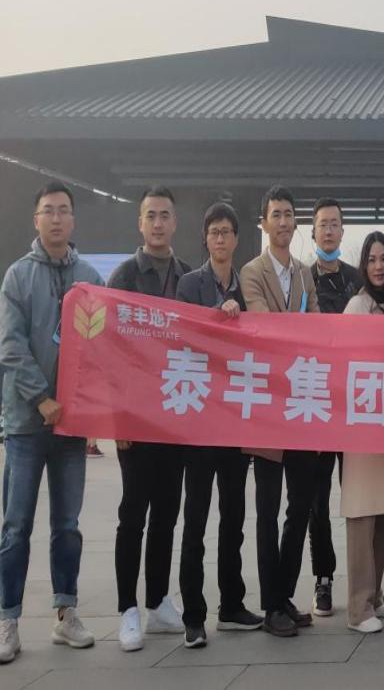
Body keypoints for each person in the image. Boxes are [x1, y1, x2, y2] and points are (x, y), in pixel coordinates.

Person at [0, 181, 102, 664]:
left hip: (71, 427)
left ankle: (66, 612)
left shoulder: (88, 278)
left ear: (73, 219)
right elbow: (11, 345)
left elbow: (101, 347)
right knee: (15, 525)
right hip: (26, 424)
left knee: (67, 524)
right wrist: (42, 399)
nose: (57, 218)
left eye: (64, 210)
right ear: (36, 220)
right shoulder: (18, 276)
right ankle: (8, 619)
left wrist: (89, 405)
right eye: (48, 211)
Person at [174, 203, 263, 648]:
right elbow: (181, 335)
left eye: (227, 231)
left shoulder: (247, 287)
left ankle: (231, 604)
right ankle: (193, 615)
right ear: (205, 238)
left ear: (236, 239)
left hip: (234, 417)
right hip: (199, 418)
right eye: (214, 232)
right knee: (195, 519)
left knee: (234, 517)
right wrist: (216, 314)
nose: (221, 238)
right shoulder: (190, 284)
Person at [108, 185, 193, 651]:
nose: (158, 223)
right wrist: (118, 418)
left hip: (175, 413)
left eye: (165, 215)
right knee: (133, 514)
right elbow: (110, 350)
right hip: (136, 418)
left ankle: (159, 601)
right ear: (140, 223)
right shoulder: (124, 276)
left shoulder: (187, 277)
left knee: (166, 512)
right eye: (151, 216)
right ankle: (128, 609)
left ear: (175, 223)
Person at [240, 185, 321, 637]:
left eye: (289, 214)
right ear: (264, 222)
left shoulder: (306, 275)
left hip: (303, 403)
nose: (284, 221)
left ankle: (284, 595)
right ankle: (270, 605)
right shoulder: (252, 272)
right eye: (276, 214)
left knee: (300, 506)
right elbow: (264, 327)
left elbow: (317, 330)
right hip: (268, 407)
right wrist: (297, 330)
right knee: (268, 510)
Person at [340, 232, 384, 633]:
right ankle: (357, 607)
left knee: (383, 510)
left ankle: (375, 594)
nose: (379, 266)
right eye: (372, 259)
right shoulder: (357, 307)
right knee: (363, 512)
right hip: (363, 424)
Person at [307, 198, 362, 619]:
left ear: (343, 232)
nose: (328, 231)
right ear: (314, 232)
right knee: (317, 499)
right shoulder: (302, 280)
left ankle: (366, 582)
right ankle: (323, 577)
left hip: (356, 402)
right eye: (322, 224)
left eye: (335, 224)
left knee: (361, 496)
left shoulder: (358, 281)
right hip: (317, 402)